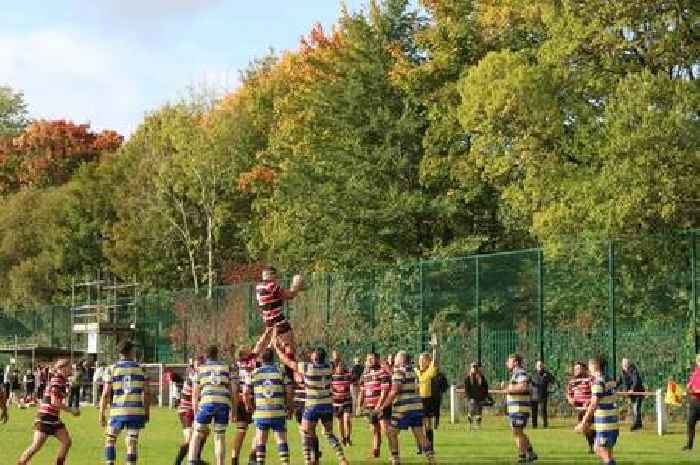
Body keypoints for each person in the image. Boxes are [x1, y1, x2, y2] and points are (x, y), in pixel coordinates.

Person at [274, 337, 349, 465]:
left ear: (315, 357)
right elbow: (336, 360)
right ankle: (342, 459)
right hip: (327, 406)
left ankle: (308, 460)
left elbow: (287, 361)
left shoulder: (307, 367)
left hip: (312, 406)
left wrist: (277, 349)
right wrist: (338, 352)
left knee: (305, 432)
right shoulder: (328, 367)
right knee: (329, 433)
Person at [17, 359, 80, 465]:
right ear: (63, 368)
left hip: (54, 418)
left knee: (66, 442)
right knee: (36, 446)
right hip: (45, 418)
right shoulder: (57, 380)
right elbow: (55, 401)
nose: (72, 370)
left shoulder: (61, 380)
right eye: (70, 367)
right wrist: (71, 410)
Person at [378, 350, 435, 465]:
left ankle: (395, 459)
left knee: (391, 432)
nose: (395, 359)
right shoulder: (413, 371)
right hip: (416, 407)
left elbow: (394, 391)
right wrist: (388, 369)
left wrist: (383, 407)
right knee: (420, 434)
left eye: (397, 357)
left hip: (403, 409)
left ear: (401, 359)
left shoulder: (399, 372)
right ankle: (431, 459)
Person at [99, 340, 151, 465]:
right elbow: (147, 393)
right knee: (132, 442)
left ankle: (110, 462)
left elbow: (106, 393)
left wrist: (101, 413)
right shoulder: (141, 369)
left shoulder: (112, 369)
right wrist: (147, 412)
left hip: (118, 410)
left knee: (110, 439)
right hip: (136, 411)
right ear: (131, 351)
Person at [188, 344, 240, 465]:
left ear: (206, 356)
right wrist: (234, 410)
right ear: (218, 354)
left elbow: (195, 393)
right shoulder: (226, 368)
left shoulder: (201, 369)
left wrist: (196, 411)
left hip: (206, 402)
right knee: (219, 436)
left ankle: (191, 462)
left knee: (197, 434)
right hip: (222, 404)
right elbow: (234, 390)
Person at [247, 347, 292, 465]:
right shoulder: (280, 371)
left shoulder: (255, 373)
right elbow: (289, 389)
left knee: (261, 440)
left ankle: (260, 462)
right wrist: (289, 405)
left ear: (262, 359)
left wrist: (249, 406)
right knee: (281, 440)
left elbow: (245, 392)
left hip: (261, 412)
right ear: (273, 358)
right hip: (278, 411)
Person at [575, 356, 619, 465]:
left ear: (595, 366)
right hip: (612, 421)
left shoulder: (598, 382)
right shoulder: (609, 379)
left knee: (598, 448)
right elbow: (604, 397)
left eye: (589, 365)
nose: (588, 368)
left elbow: (594, 403)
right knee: (607, 453)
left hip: (605, 422)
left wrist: (583, 422)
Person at [253, 267, 304, 355]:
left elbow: (274, 299)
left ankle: (251, 360)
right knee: (290, 345)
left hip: (268, 319)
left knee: (267, 343)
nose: (276, 279)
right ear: (271, 275)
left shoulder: (259, 287)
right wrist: (296, 285)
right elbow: (289, 295)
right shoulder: (271, 286)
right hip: (277, 319)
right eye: (275, 276)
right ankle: (289, 366)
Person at [174, 359, 208, 465]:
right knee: (190, 438)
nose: (199, 366)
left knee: (204, 432)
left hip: (194, 409)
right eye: (198, 364)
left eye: (201, 364)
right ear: (193, 365)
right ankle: (177, 462)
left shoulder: (199, 375)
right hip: (186, 410)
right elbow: (196, 394)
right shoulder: (194, 376)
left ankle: (196, 457)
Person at [506, 354, 538, 463]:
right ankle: (530, 452)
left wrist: (509, 389)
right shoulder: (516, 374)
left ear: (515, 362)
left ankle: (523, 456)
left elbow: (524, 386)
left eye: (509, 361)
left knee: (517, 432)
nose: (507, 364)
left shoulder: (520, 372)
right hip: (516, 409)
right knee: (518, 432)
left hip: (519, 409)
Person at [359, 352, 392, 459]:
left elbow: (385, 391)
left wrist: (379, 405)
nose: (369, 361)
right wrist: (359, 405)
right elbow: (362, 391)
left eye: (372, 359)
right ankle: (376, 450)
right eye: (368, 359)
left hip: (382, 406)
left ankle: (394, 454)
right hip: (370, 406)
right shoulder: (365, 374)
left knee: (386, 430)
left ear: (377, 359)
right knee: (374, 429)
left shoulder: (383, 372)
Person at [415, 342, 439, 452]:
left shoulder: (429, 371)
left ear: (428, 361)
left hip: (426, 401)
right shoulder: (416, 371)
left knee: (427, 425)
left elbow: (434, 362)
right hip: (416, 400)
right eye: (420, 360)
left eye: (424, 360)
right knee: (417, 425)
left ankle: (430, 447)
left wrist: (434, 349)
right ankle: (421, 446)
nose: (421, 362)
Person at [566, 361, 595, 453]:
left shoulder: (590, 380)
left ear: (584, 369)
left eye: (578, 368)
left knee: (587, 427)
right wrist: (570, 399)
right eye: (575, 369)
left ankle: (594, 445)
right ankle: (593, 443)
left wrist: (589, 401)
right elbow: (568, 393)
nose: (576, 370)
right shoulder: (572, 381)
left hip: (589, 408)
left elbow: (595, 393)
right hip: (579, 409)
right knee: (585, 429)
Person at [331, 358, 353, 446]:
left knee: (347, 419)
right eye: (338, 366)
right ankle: (342, 438)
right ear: (335, 368)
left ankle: (348, 437)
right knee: (339, 422)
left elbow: (355, 381)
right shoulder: (332, 377)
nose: (340, 368)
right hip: (336, 403)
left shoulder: (347, 376)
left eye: (341, 366)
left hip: (346, 402)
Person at [618, 358, 644, 431]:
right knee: (635, 409)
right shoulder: (622, 372)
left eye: (626, 364)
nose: (624, 366)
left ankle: (637, 424)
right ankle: (639, 423)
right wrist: (613, 386)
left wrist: (632, 389)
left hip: (638, 392)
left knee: (636, 408)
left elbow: (636, 381)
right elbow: (619, 381)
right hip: (631, 394)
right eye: (623, 364)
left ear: (629, 364)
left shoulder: (634, 371)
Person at [531, 360, 557, 428]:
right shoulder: (532, 374)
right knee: (534, 411)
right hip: (534, 396)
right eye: (538, 365)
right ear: (536, 366)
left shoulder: (547, 374)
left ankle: (545, 425)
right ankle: (534, 426)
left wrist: (552, 390)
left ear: (543, 366)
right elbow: (528, 382)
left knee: (543, 411)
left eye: (541, 365)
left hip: (543, 395)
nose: (540, 366)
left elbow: (554, 382)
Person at [464, 362, 490, 430]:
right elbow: (466, 390)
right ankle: (470, 425)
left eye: (476, 367)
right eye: (473, 367)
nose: (475, 368)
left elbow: (485, 387)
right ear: (471, 368)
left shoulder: (481, 377)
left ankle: (478, 425)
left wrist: (485, 396)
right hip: (472, 398)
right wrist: (469, 398)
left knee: (479, 411)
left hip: (480, 397)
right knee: (471, 410)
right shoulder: (468, 378)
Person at [683, 354, 700, 451]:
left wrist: (696, 391)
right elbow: (690, 384)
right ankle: (689, 446)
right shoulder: (696, 372)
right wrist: (687, 389)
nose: (699, 363)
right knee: (690, 423)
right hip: (694, 403)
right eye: (698, 361)